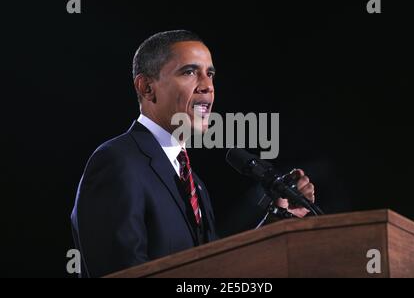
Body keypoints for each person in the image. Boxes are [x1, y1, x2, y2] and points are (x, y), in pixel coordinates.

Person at [71, 30, 316, 278]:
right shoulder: (117, 162)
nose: (207, 86)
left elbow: (214, 273)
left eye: (209, 74)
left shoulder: (192, 182)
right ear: (146, 87)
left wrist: (279, 218)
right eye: (189, 72)